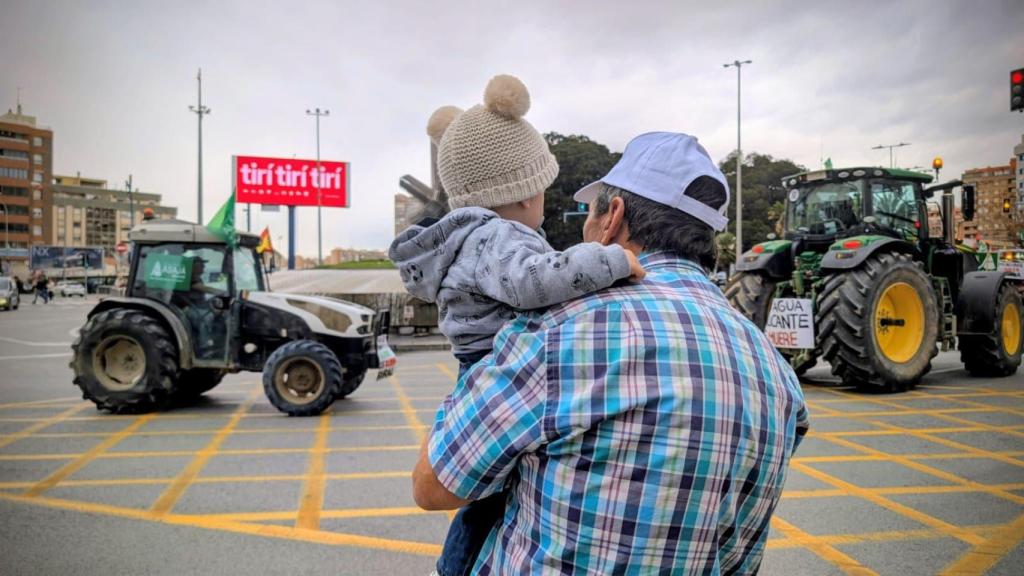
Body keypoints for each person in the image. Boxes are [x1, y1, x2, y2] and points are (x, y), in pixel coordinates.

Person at [413, 132, 809, 574]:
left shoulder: (562, 329)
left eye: (590, 212)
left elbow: (434, 485)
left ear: (612, 218)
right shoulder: (776, 372)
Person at [390, 75, 644, 576]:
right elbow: (536, 281)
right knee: (486, 496)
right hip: (494, 361)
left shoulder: (475, 237)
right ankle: (456, 567)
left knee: (490, 486)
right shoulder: (496, 238)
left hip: (477, 361)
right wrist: (612, 260)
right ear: (525, 194)